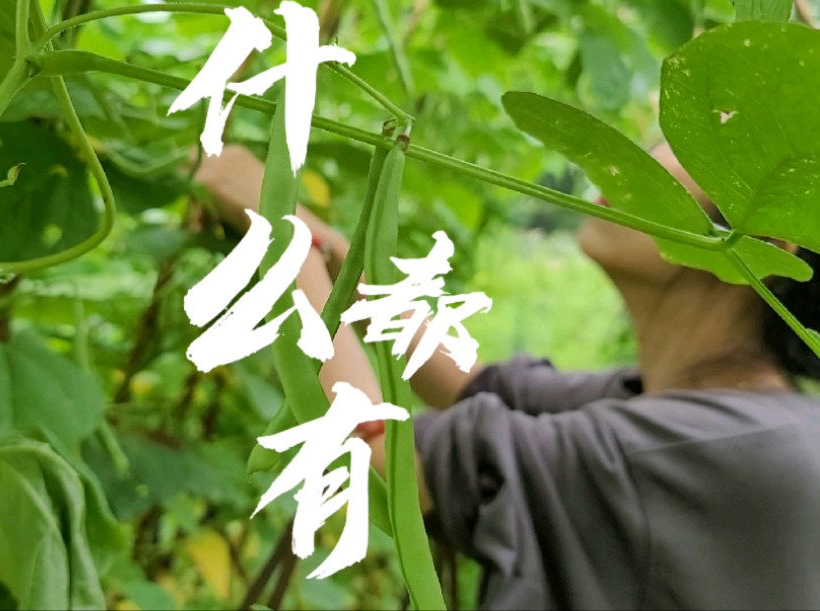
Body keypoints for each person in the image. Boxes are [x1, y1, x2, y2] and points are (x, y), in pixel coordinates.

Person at [194, 142, 820, 610]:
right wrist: (326, 249)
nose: (633, 157)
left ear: (769, 239)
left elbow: (379, 463)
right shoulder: (727, 414)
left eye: (689, 146)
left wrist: (280, 236)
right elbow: (473, 384)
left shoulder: (706, 452)